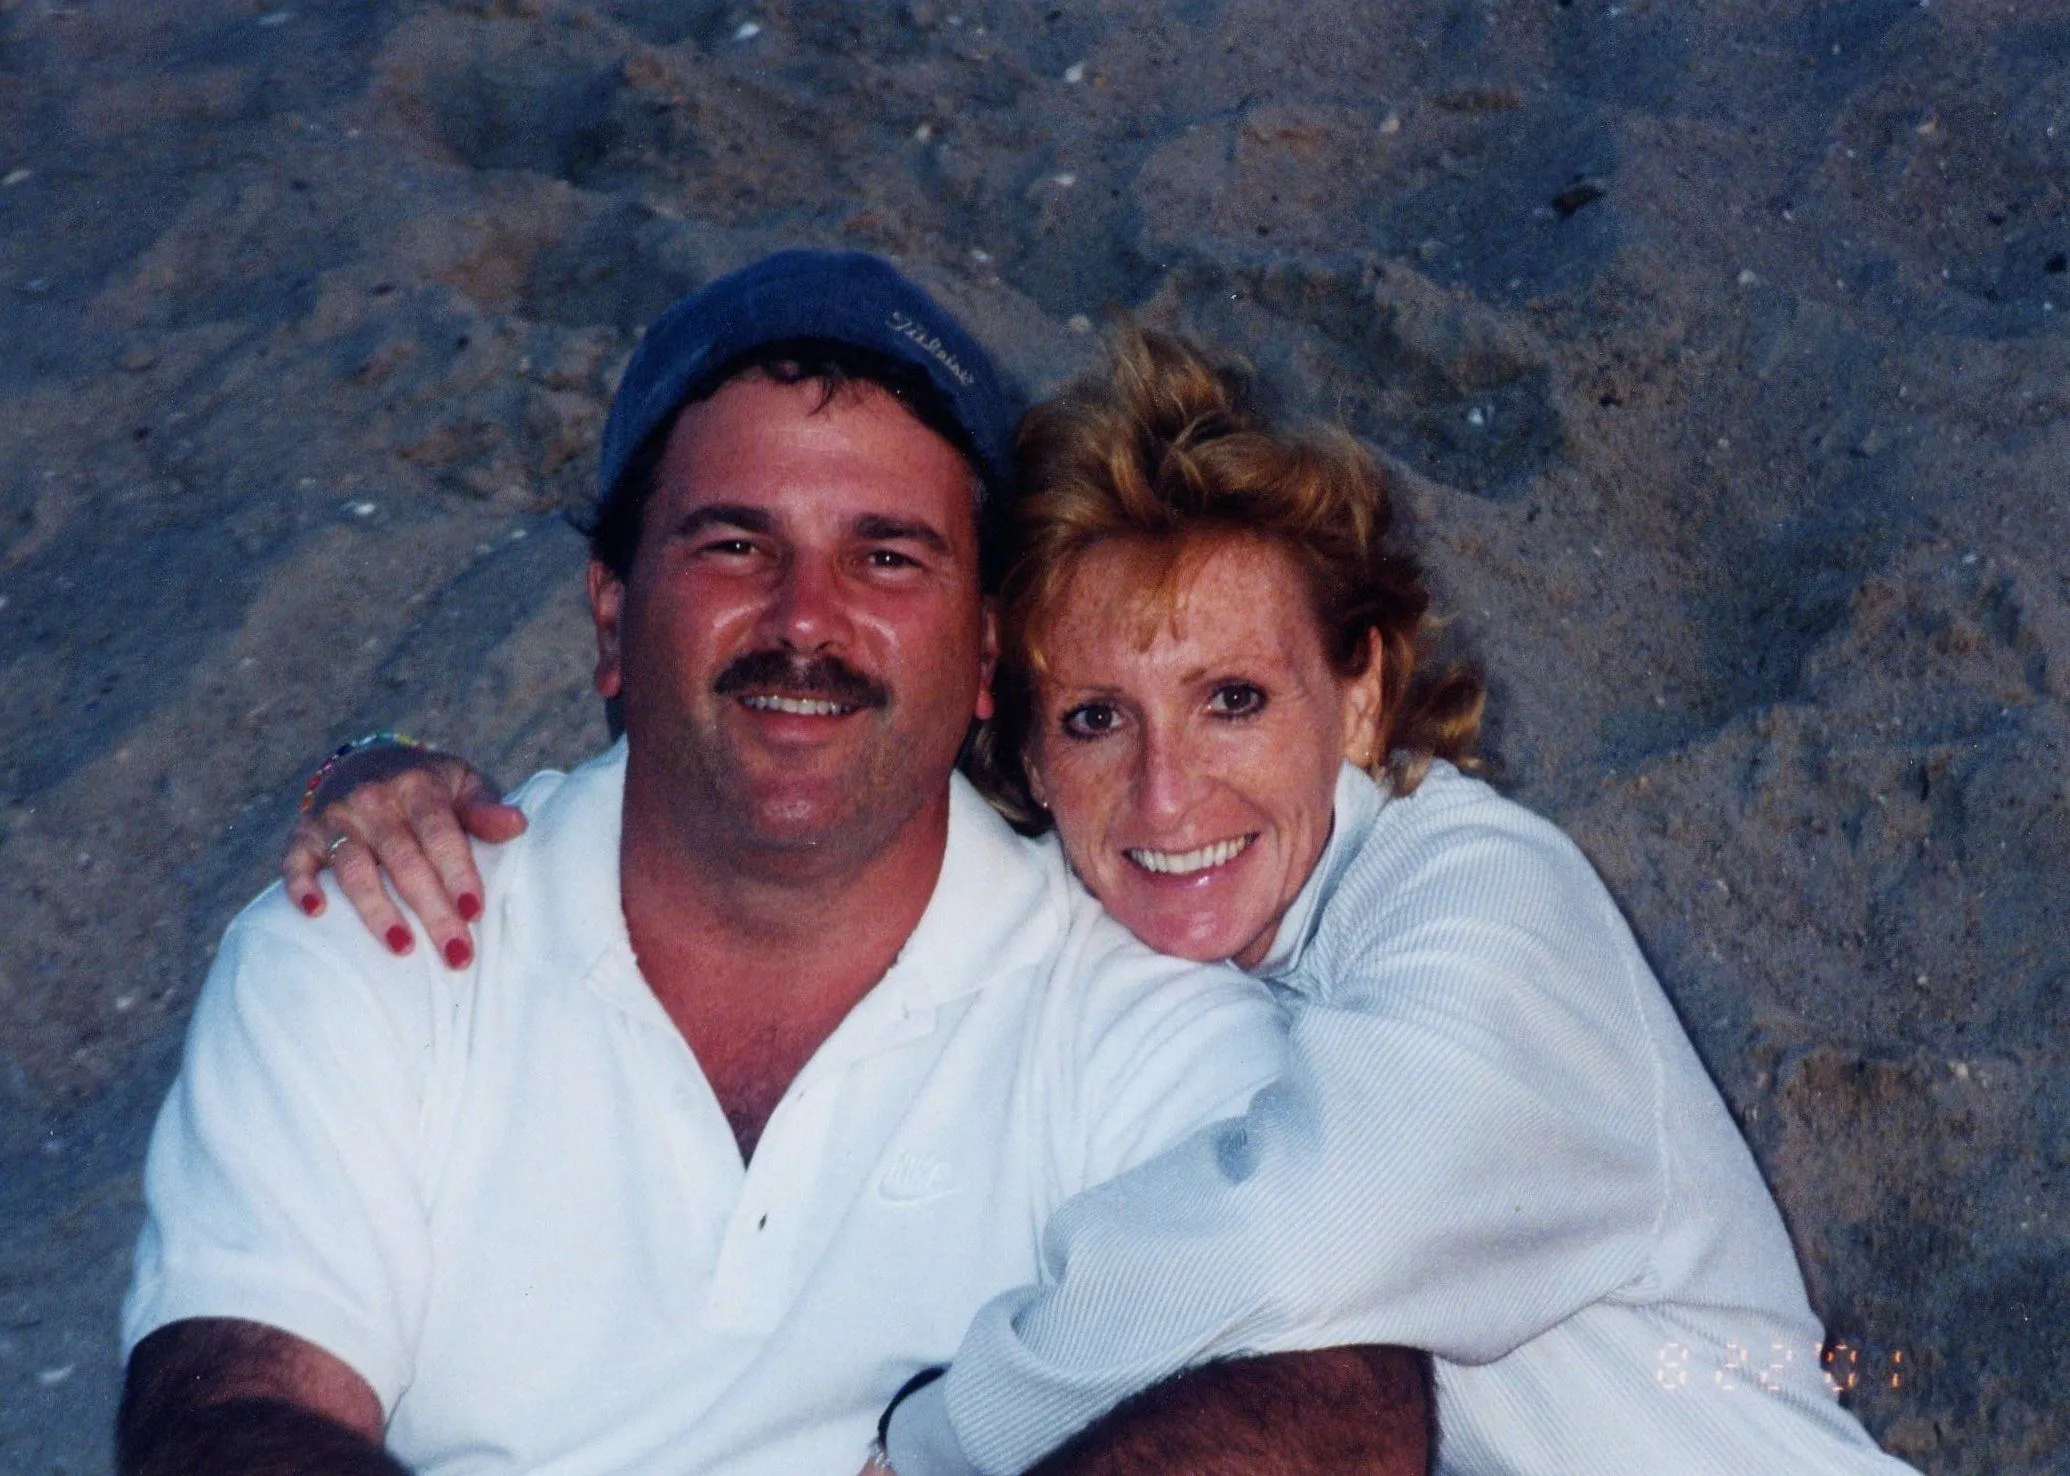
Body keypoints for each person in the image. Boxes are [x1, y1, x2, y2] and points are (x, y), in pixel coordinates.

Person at [293, 328, 1918, 1475]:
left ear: (1359, 692)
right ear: (1018, 744)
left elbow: (1298, 1236)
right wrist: (382, 769)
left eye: (1233, 701)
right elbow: (795, 778)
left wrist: (930, 1445)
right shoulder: (1108, 936)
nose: (1164, 798)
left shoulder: (1483, 895)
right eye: (1093, 720)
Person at [119, 252, 1431, 1476]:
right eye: (735, 545)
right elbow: (226, 1409)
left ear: (986, 654)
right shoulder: (375, 934)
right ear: (613, 614)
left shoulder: (1131, 1004)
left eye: (885, 556)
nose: (806, 620)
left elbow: (1338, 1395)